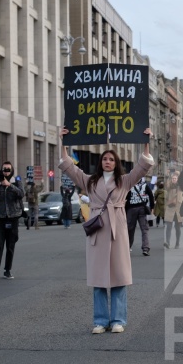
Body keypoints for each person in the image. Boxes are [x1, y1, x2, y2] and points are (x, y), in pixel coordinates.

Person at [58, 127, 154, 334]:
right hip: (98, 231)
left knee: (119, 276)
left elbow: (142, 167)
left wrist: (146, 141)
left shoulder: (125, 180)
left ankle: (118, 320)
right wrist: (63, 143)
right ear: (100, 162)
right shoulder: (90, 181)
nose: (107, 162)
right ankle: (100, 321)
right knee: (98, 278)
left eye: (111, 159)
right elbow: (70, 169)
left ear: (116, 163)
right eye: (104, 159)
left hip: (118, 230)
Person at [0, 161, 25, 281]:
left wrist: (9, 185)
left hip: (13, 218)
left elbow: (21, 194)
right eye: (4, 169)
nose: (6, 172)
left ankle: (7, 270)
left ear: (11, 170)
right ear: (1, 170)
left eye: (8, 169)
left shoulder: (16, 181)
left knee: (10, 246)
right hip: (0, 218)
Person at [126, 177, 154, 256]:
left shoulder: (129, 186)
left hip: (131, 209)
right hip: (142, 208)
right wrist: (152, 207)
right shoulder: (145, 185)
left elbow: (126, 198)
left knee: (130, 229)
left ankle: (128, 247)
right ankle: (145, 248)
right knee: (144, 229)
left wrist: (125, 210)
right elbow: (151, 196)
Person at [163, 171, 183, 249]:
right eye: (173, 178)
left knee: (178, 228)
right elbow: (166, 184)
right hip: (170, 208)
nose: (174, 179)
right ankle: (167, 242)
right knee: (168, 226)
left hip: (178, 209)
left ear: (178, 179)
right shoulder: (169, 186)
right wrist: (167, 176)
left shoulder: (181, 186)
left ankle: (177, 243)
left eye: (175, 178)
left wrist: (181, 174)